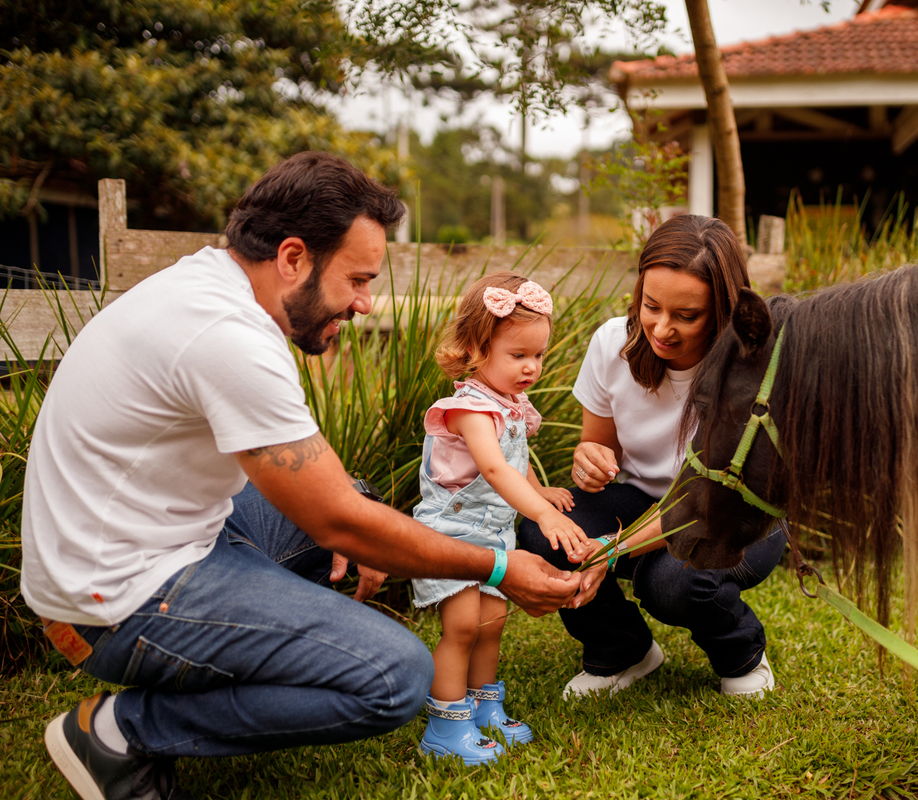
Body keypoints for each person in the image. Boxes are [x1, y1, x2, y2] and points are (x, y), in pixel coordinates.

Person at [22, 152, 581, 800]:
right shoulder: (226, 335)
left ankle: (210, 662)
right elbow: (335, 516)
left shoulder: (210, 288)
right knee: (395, 675)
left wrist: (352, 518)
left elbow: (325, 492)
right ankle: (121, 731)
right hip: (112, 596)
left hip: (155, 532)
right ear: (292, 258)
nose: (367, 304)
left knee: (355, 513)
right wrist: (498, 568)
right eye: (358, 279)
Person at [517, 214, 787, 699]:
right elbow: (600, 446)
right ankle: (623, 651)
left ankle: (742, 653)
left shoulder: (750, 369)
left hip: (730, 514)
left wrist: (611, 550)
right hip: (640, 498)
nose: (662, 328)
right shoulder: (611, 344)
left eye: (687, 316)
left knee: (672, 583)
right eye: (651, 306)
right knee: (544, 534)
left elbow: (706, 501)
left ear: (724, 310)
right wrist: (589, 458)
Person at [411, 272, 588, 764]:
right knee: (463, 625)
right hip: (452, 531)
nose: (531, 367)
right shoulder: (468, 408)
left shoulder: (511, 406)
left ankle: (486, 708)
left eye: (538, 356)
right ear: (476, 348)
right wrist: (540, 515)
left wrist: (540, 491)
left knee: (492, 623)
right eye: (518, 355)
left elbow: (515, 464)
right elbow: (490, 466)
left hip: (493, 532)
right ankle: (446, 726)